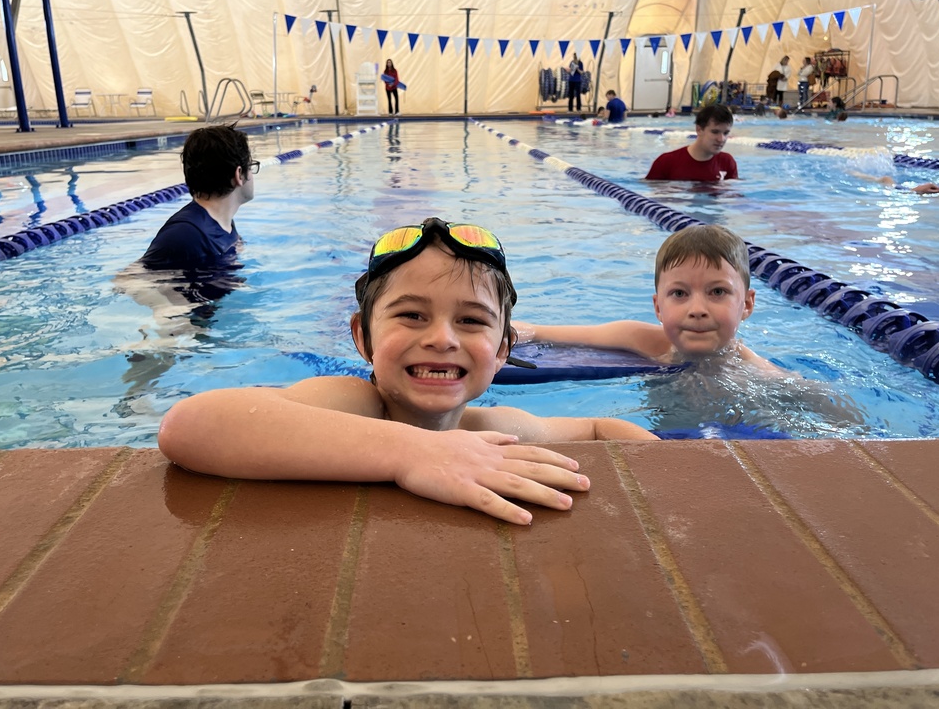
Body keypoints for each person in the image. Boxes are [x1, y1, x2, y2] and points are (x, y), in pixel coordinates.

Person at [158, 217, 655, 526]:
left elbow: (598, 427)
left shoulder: (491, 428)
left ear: (502, 349)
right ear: (362, 338)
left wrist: (672, 473)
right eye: (412, 315)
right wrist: (412, 452)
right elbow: (189, 425)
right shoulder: (355, 403)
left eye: (471, 320)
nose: (442, 338)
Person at [513, 224, 780, 373]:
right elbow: (541, 332)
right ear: (658, 307)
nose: (697, 309)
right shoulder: (643, 340)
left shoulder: (757, 372)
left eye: (717, 292)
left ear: (746, 304)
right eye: (679, 293)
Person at [139, 124, 254, 270]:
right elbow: (128, 280)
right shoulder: (186, 234)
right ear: (238, 175)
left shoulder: (223, 222)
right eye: (251, 167)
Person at [645, 104, 738, 181]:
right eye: (715, 132)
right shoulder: (666, 162)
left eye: (726, 133)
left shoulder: (727, 162)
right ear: (699, 129)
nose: (721, 139)